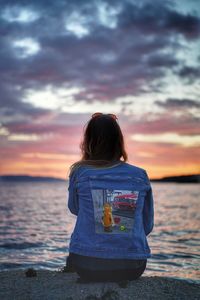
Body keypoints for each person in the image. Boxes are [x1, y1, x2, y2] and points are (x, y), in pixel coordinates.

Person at [66, 112, 154, 282]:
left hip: (87, 265)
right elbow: (147, 225)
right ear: (119, 141)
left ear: (88, 142)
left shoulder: (79, 172)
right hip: (131, 266)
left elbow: (74, 209)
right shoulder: (139, 175)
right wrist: (119, 227)